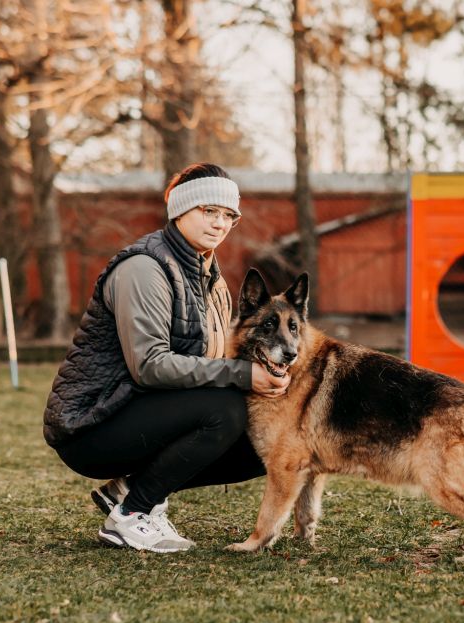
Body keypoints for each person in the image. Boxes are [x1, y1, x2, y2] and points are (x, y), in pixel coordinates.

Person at [42, 163, 290, 553]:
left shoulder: (210, 278)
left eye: (229, 215)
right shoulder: (144, 268)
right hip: (91, 424)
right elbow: (150, 366)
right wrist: (243, 375)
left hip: (145, 410)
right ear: (180, 209)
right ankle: (132, 515)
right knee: (225, 409)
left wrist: (269, 374)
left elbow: (214, 358)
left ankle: (131, 489)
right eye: (209, 210)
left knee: (270, 433)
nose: (220, 223)